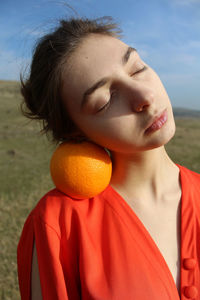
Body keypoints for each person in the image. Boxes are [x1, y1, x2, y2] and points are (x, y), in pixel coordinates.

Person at [17, 16, 200, 300]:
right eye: (104, 100)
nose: (144, 95)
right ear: (76, 133)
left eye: (138, 68)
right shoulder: (58, 224)